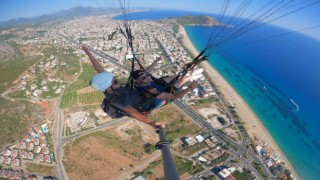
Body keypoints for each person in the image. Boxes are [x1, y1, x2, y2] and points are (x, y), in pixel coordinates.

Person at [82, 45, 165, 128]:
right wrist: (152, 123)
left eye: (114, 78)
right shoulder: (115, 100)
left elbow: (99, 69)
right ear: (109, 87)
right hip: (143, 104)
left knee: (143, 76)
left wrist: (88, 53)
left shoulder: (106, 87)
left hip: (135, 95)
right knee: (167, 96)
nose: (117, 80)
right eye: (114, 81)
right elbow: (132, 112)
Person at [131, 58, 200, 103]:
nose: (148, 77)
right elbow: (174, 96)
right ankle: (192, 75)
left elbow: (146, 71)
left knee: (176, 76)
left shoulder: (139, 82)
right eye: (144, 78)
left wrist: (155, 61)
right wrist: (190, 88)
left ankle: (186, 75)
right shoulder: (151, 90)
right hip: (165, 93)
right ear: (139, 81)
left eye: (147, 75)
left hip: (158, 84)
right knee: (182, 80)